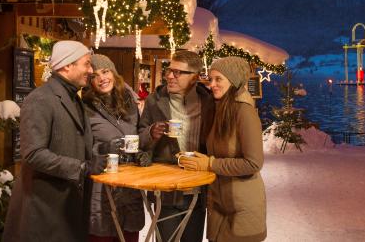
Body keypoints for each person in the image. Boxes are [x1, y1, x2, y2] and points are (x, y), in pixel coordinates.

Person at [3, 41, 107, 242]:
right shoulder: (40, 99)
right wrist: (81, 167)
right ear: (67, 65)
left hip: (65, 209)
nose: (91, 70)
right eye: (86, 64)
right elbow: (33, 154)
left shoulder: (74, 98)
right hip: (44, 211)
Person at [180, 57, 267, 242]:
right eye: (211, 79)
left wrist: (209, 164)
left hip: (242, 206)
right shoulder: (219, 109)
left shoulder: (244, 112)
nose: (212, 85)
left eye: (218, 79)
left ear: (233, 81)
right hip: (218, 203)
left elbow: (253, 163)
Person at [140, 50, 215, 242]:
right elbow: (138, 137)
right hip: (166, 189)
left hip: (197, 189)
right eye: (169, 70)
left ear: (195, 77)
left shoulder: (208, 102)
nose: (170, 76)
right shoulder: (154, 101)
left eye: (178, 72)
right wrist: (150, 133)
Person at [83, 54, 149, 242]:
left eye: (105, 71)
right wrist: (105, 147)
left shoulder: (131, 104)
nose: (102, 78)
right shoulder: (85, 108)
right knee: (101, 235)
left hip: (129, 185)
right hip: (101, 184)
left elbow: (138, 138)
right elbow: (81, 148)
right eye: (95, 76)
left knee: (128, 234)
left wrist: (142, 154)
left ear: (113, 72)